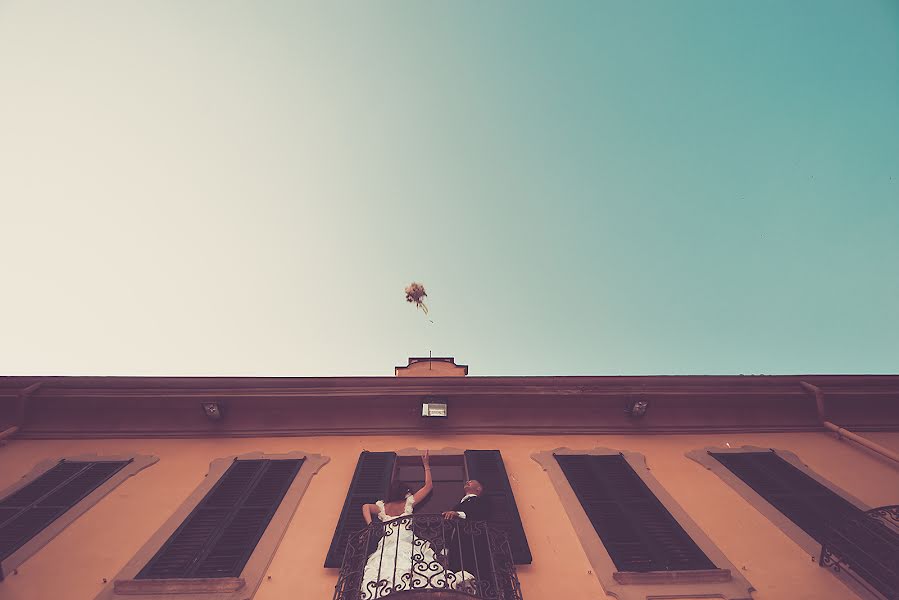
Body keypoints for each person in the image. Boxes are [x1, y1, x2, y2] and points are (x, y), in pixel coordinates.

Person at [359, 451, 440, 599]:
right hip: (405, 538)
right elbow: (428, 486)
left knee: (385, 566)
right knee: (411, 563)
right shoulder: (408, 503)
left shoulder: (383, 507)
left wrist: (370, 525)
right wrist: (426, 465)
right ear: (405, 493)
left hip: (388, 541)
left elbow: (365, 506)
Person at [442, 480, 493, 593]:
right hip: (456, 548)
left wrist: (458, 514)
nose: (467, 481)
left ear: (478, 489)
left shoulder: (481, 501)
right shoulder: (458, 505)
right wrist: (445, 549)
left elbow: (481, 512)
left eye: (471, 482)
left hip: (472, 545)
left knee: (471, 574)